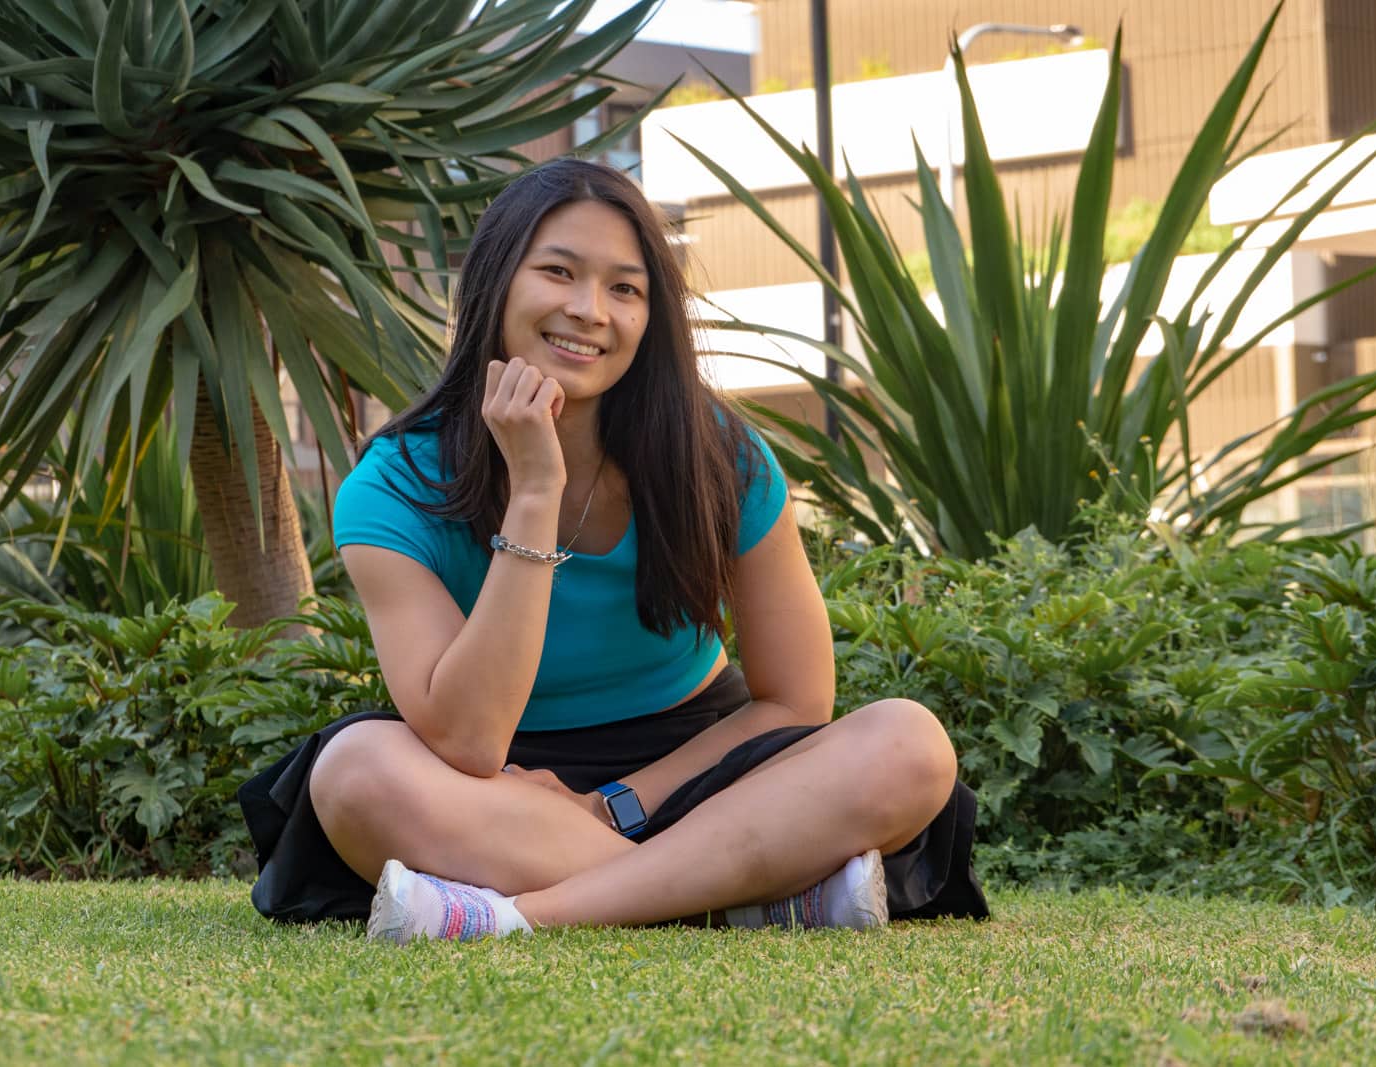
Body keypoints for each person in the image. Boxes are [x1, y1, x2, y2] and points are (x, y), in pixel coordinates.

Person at [237, 159, 987, 941]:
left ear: (651, 315)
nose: (589, 309)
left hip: (700, 768)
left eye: (625, 288)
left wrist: (618, 803)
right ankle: (751, 896)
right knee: (357, 773)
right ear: (494, 284)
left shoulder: (720, 458)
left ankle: (519, 915)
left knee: (909, 745)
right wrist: (533, 493)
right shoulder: (394, 484)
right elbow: (465, 739)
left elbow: (797, 702)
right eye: (558, 272)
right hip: (493, 791)